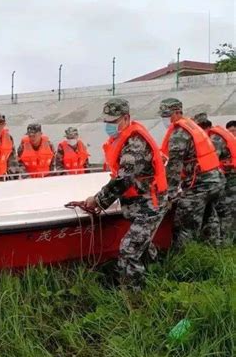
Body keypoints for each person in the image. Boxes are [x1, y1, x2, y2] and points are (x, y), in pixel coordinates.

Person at [77, 98, 168, 290]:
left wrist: (98, 200)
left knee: (129, 249)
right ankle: (157, 279)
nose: (109, 125)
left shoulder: (135, 142)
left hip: (149, 203)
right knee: (143, 246)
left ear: (126, 118)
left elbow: (124, 179)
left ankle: (133, 295)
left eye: (113, 121)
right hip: (139, 202)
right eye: (106, 121)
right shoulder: (121, 137)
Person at [159, 98, 224, 251]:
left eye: (166, 114)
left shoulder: (179, 133)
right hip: (216, 179)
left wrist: (168, 194)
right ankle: (215, 253)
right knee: (209, 217)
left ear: (177, 113)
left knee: (184, 224)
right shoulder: (193, 126)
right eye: (162, 115)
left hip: (201, 184)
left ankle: (183, 260)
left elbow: (174, 166)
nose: (164, 118)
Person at [194, 112, 236, 244]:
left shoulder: (214, 139)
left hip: (230, 181)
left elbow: (210, 162)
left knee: (226, 214)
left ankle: (227, 247)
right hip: (228, 179)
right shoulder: (217, 134)